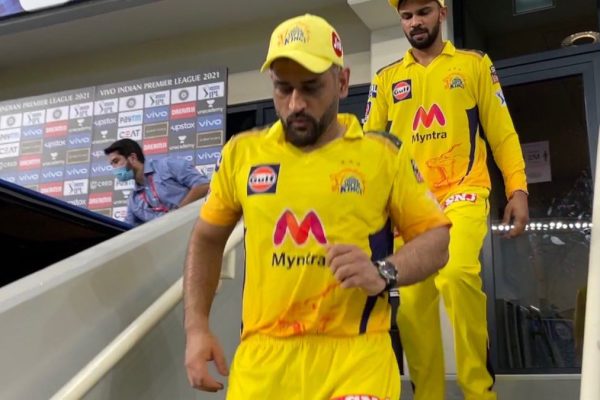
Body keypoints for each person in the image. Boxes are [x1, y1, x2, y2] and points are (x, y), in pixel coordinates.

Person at [183, 13, 451, 400]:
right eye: (283, 89)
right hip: (264, 360)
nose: (296, 104)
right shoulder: (242, 154)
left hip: (357, 356)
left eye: (311, 88)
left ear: (342, 82)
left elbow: (436, 240)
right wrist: (196, 328)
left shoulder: (382, 155)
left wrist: (384, 272)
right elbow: (207, 239)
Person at [363, 1, 530, 399]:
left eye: (423, 12)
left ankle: (478, 390)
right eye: (406, 16)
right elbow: (369, 149)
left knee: (456, 274)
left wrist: (518, 189)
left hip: (463, 191)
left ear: (442, 13)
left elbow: (501, 132)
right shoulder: (386, 79)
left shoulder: (474, 64)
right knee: (413, 305)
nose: (415, 22)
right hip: (410, 207)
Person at [103, 138, 209, 226]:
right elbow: (125, 233)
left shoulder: (167, 165)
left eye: (116, 161)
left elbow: (203, 186)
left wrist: (178, 215)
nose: (114, 169)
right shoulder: (133, 202)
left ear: (133, 158)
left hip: (200, 227)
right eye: (112, 164)